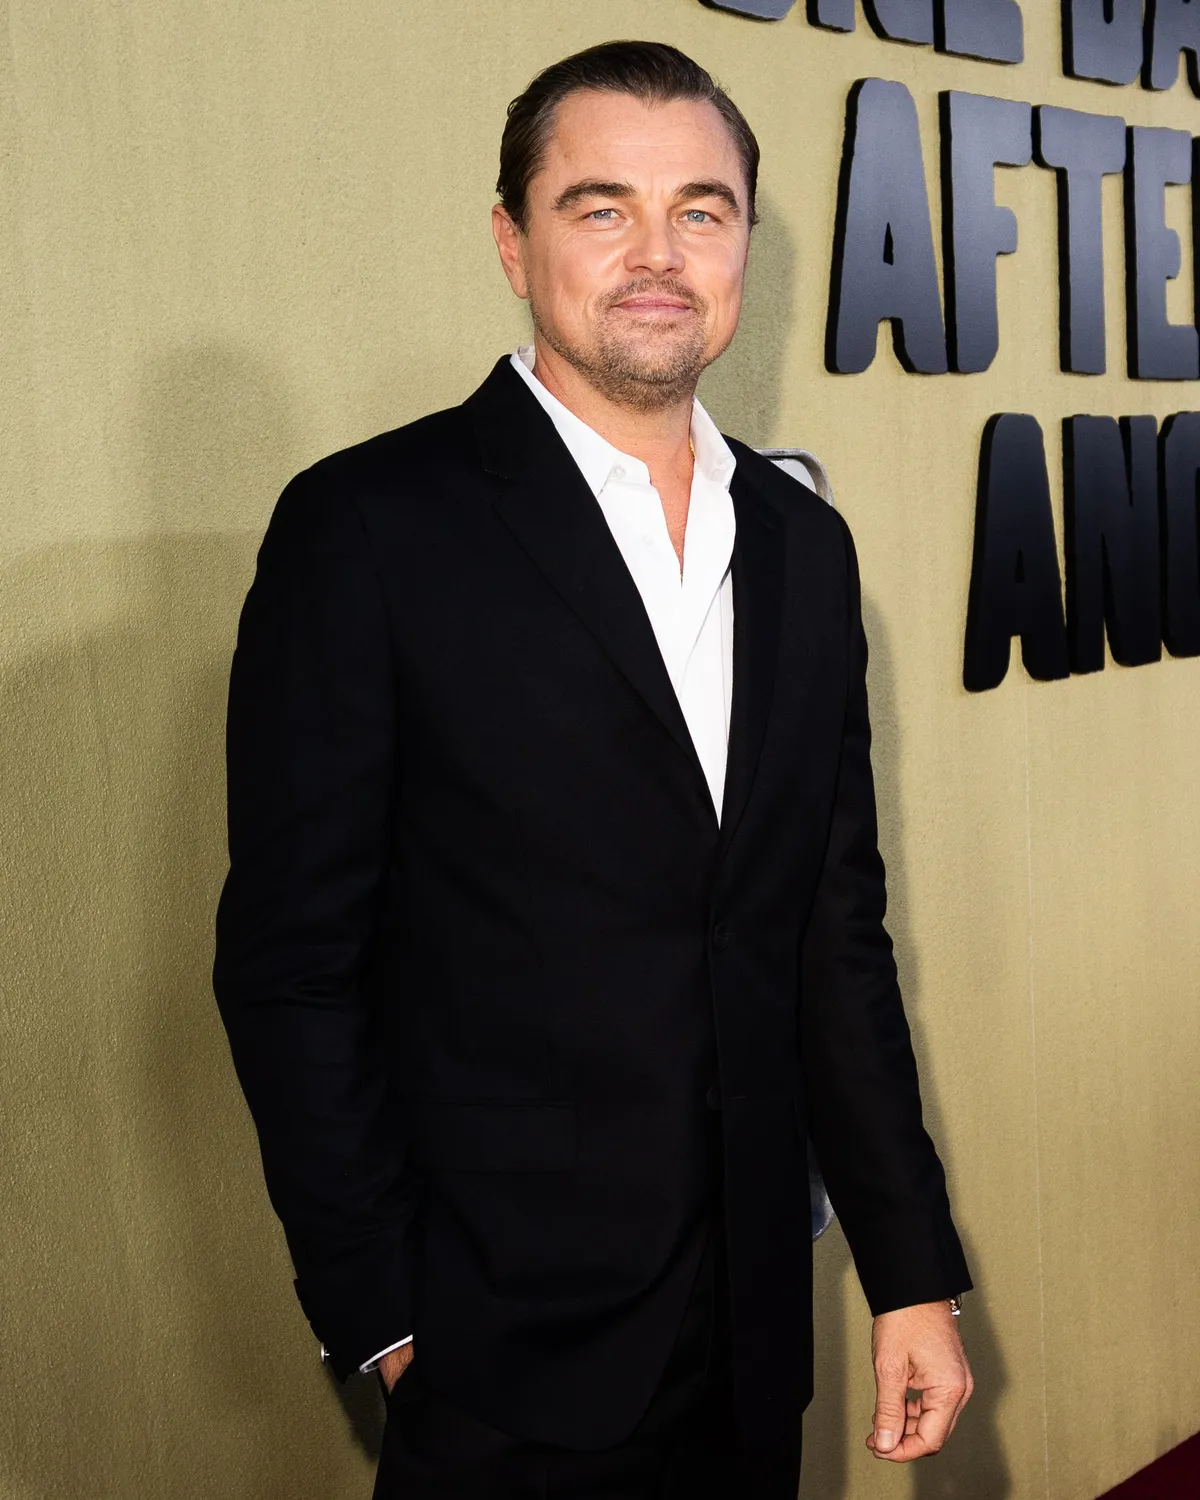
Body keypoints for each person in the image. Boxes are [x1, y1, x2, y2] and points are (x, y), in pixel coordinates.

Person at [213, 39, 973, 1499]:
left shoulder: (806, 549)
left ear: (748, 241)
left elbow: (833, 939)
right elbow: (292, 962)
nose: (658, 254)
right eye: (599, 206)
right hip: (495, 1349)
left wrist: (911, 1270)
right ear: (512, 240)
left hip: (754, 1318)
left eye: (701, 209)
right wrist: (387, 1318)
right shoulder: (369, 528)